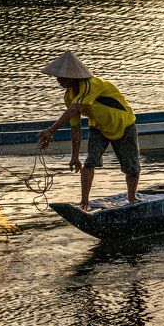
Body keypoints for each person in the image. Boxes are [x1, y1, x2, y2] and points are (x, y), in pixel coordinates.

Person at [36, 51, 140, 211]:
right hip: (98, 127)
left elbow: (72, 110)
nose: (57, 80)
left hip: (123, 125)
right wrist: (74, 157)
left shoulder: (91, 85)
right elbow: (75, 127)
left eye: (61, 77)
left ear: (71, 77)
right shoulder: (69, 96)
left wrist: (51, 130)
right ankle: (84, 203)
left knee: (131, 167)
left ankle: (132, 199)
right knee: (89, 163)